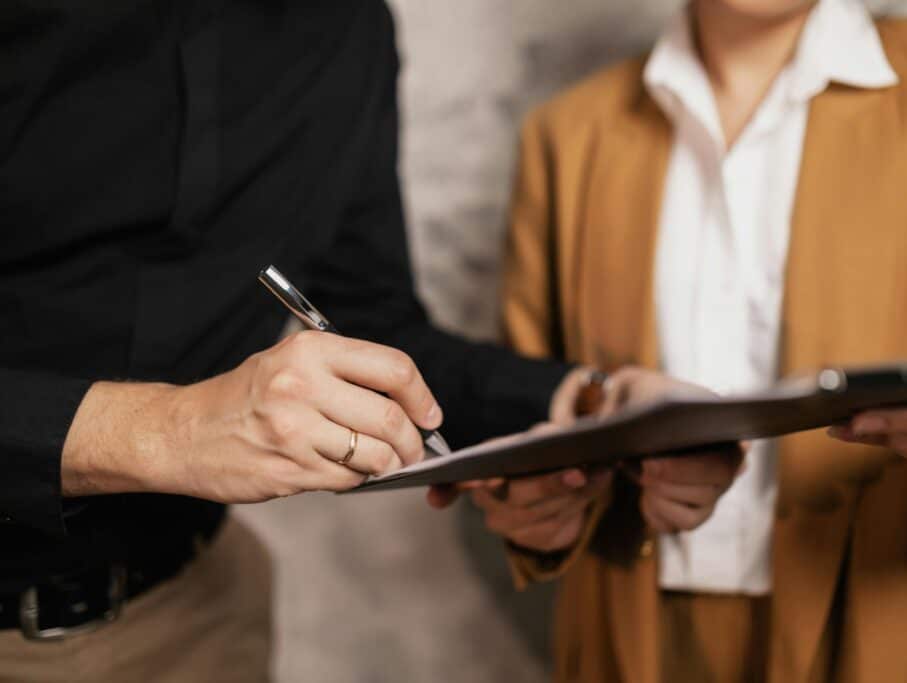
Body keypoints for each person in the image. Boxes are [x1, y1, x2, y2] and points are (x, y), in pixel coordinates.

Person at [0, 1, 616, 680]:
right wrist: (170, 430)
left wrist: (587, 404)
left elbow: (376, 329)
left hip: (199, 618)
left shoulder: (349, 30)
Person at [446, 0, 907, 680]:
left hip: (899, 642)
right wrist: (539, 503)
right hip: (624, 641)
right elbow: (535, 423)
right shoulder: (565, 136)